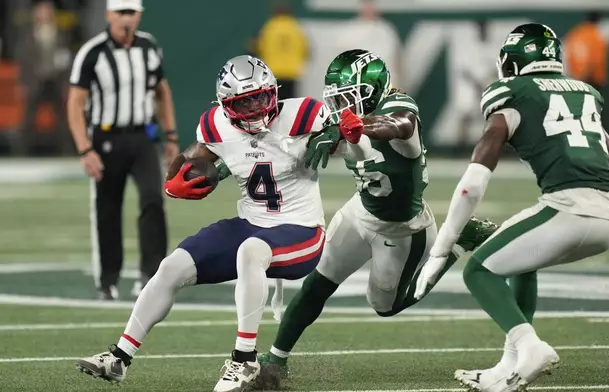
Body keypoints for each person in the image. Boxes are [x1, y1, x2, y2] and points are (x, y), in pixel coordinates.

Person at [74, 54, 370, 392]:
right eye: (244, 103)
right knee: (172, 266)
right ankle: (119, 357)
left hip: (301, 230)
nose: (256, 108)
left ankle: (244, 361)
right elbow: (191, 160)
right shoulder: (216, 125)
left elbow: (358, 153)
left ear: (274, 92)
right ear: (225, 107)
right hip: (251, 223)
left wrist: (349, 136)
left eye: (261, 97)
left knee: (251, 250)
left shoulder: (304, 114)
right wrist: (182, 174)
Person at [254, 49, 499, 386]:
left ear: (369, 93)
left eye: (346, 99)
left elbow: (397, 125)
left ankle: (459, 241)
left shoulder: (398, 108)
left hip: (403, 229)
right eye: (336, 101)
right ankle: (276, 361)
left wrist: (352, 127)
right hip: (361, 210)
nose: (340, 108)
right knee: (317, 283)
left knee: (385, 305)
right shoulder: (343, 119)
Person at [414, 24, 609, 392]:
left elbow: (472, 185)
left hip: (570, 210)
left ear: (512, 64)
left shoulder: (512, 94)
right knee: (520, 260)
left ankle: (530, 347)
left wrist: (442, 247)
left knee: (478, 270)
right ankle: (509, 364)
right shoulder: (586, 94)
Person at [67, 0, 179, 300]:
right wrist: (84, 150)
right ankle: (107, 279)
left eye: (131, 12)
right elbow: (75, 104)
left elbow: (162, 91)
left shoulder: (148, 47)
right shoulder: (92, 52)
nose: (126, 19)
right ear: (108, 15)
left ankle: (152, 275)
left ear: (140, 14)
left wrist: (170, 137)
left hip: (142, 137)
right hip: (105, 140)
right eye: (121, 12)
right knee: (107, 209)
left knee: (153, 200)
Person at [15, 0, 71, 155]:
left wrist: (66, 83)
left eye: (47, 10)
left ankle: (67, 153)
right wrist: (22, 83)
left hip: (55, 81)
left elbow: (66, 60)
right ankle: (22, 153)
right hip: (36, 82)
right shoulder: (28, 34)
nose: (44, 13)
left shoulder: (61, 33)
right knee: (28, 120)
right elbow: (23, 61)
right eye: (41, 10)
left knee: (62, 121)